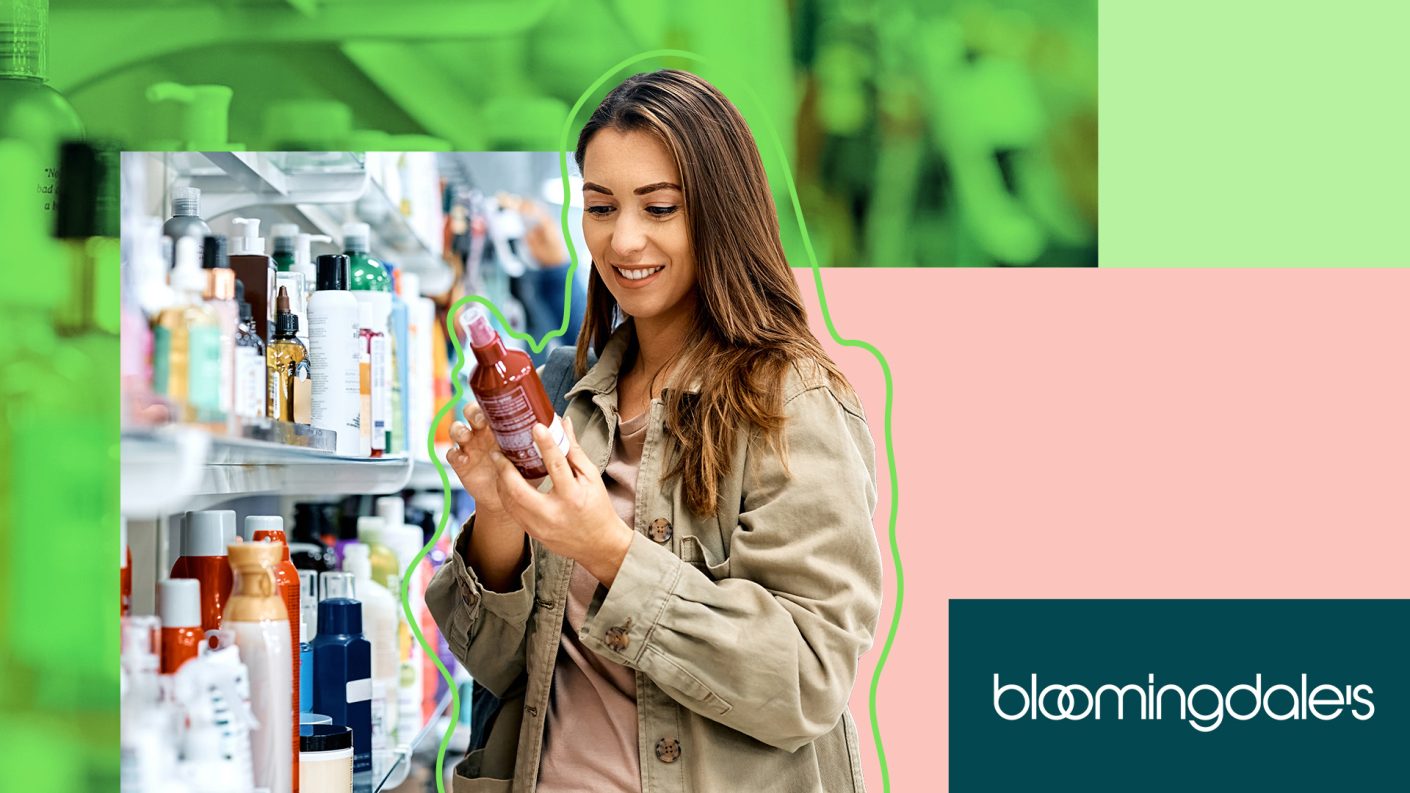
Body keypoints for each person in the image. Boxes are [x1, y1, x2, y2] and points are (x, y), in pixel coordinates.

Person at [427, 69, 882, 793]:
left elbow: (807, 679)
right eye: (601, 207)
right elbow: (500, 669)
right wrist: (497, 511)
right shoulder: (557, 394)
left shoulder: (788, 399)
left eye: (660, 207)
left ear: (719, 211)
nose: (624, 238)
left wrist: (606, 550)